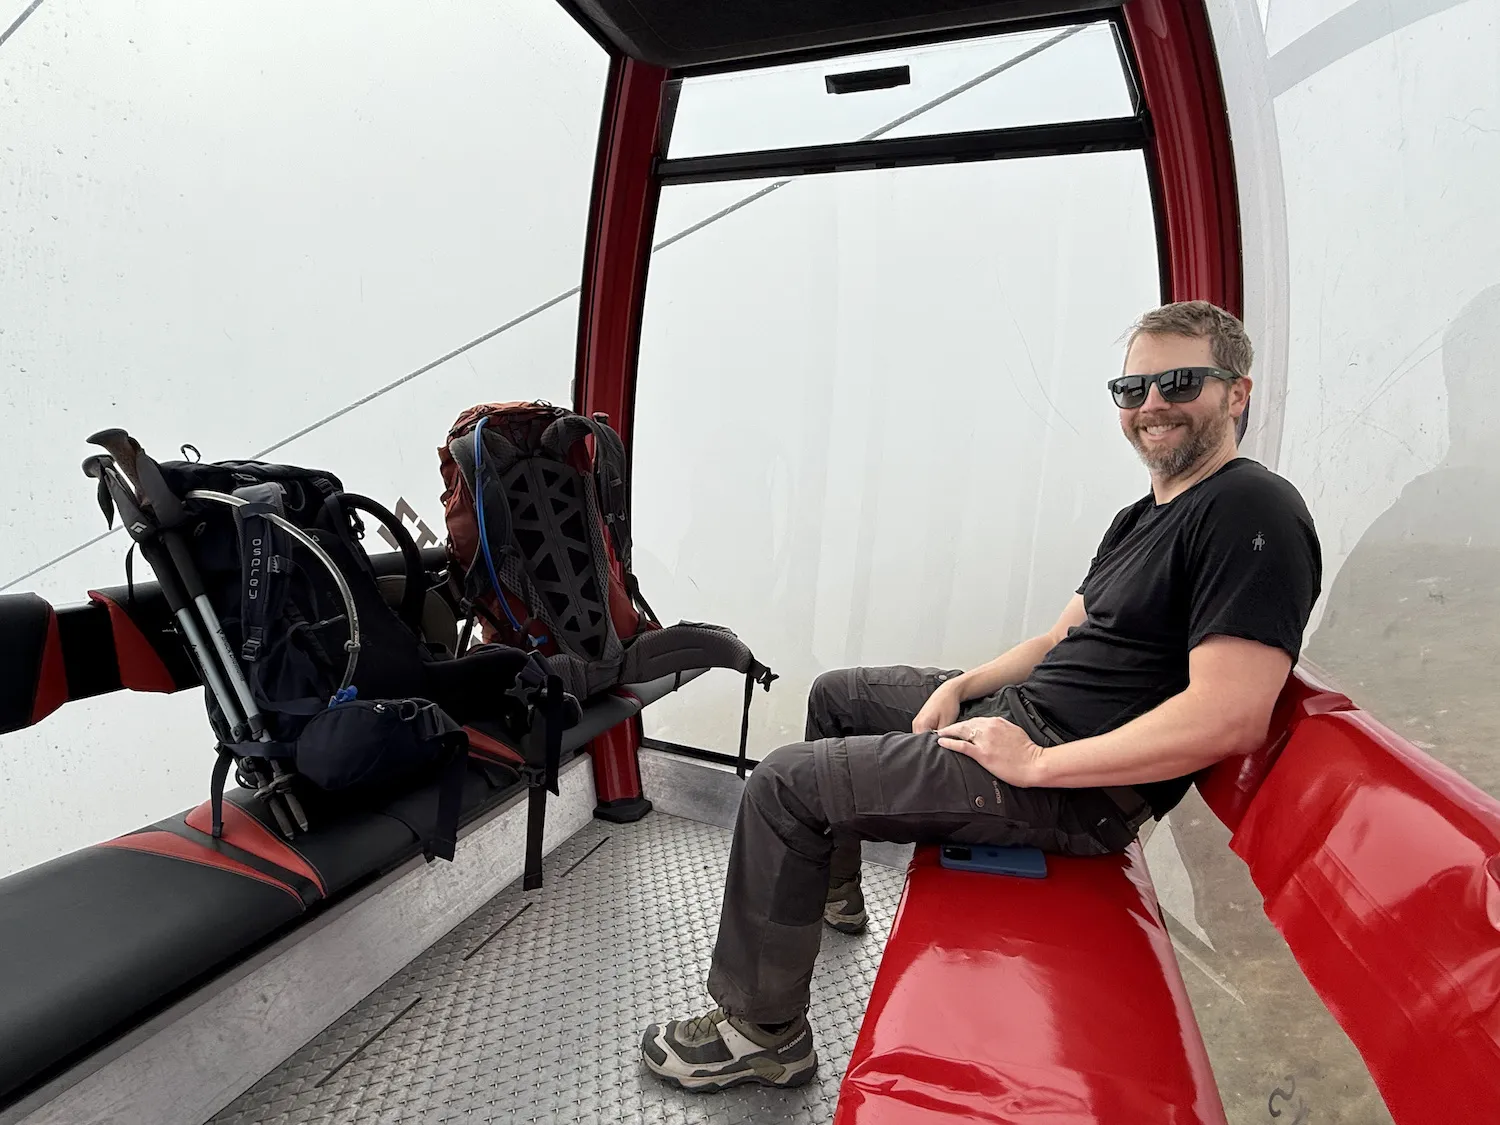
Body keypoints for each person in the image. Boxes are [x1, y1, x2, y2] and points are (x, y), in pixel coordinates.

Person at [641, 301, 1323, 1092]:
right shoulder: (1146, 513)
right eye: (1131, 388)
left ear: (1235, 393)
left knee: (784, 784)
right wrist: (963, 686)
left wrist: (1036, 764)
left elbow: (1229, 715)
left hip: (1073, 788)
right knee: (836, 694)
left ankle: (761, 1032)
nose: (1150, 406)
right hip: (1029, 721)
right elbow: (1062, 638)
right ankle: (832, 897)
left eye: (1177, 382)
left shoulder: (1252, 510)